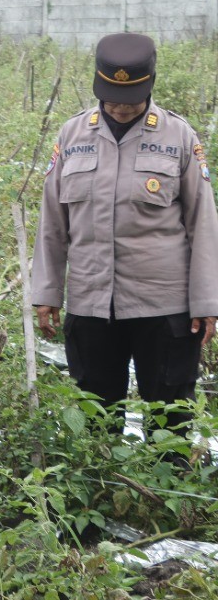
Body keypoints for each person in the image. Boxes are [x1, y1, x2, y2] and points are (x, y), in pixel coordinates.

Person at [31, 32, 218, 442]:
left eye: (129, 98)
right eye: (111, 97)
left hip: (165, 308)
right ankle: (103, 498)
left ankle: (165, 502)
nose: (119, 107)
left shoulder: (178, 138)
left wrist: (206, 303)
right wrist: (46, 292)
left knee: (170, 421)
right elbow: (52, 223)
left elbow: (203, 223)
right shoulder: (72, 136)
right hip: (91, 303)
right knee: (95, 421)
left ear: (149, 85)